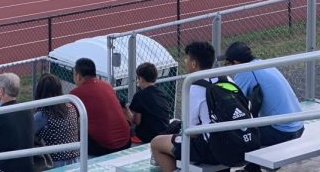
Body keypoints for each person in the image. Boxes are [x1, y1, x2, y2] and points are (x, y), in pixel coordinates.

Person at [221, 41, 303, 168]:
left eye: (228, 63)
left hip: (284, 132)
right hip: (298, 125)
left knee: (240, 134)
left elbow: (235, 104)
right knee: (251, 126)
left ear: (236, 63)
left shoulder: (245, 72)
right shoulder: (263, 63)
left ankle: (251, 169)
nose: (227, 67)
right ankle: (261, 166)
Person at [150, 42, 221, 171]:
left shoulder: (194, 87)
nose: (185, 61)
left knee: (156, 143)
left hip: (212, 149)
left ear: (194, 64)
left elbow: (190, 132)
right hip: (235, 141)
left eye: (187, 58)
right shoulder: (226, 79)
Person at [69, 57, 130, 155]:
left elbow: (69, 120)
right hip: (126, 141)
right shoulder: (107, 86)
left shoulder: (75, 93)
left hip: (105, 147)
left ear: (78, 75)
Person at [33, 73, 80, 166]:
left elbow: (26, 133)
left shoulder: (42, 115)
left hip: (54, 164)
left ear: (39, 91)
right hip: (76, 160)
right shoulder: (71, 106)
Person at [124, 62, 171, 144]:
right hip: (164, 133)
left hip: (148, 137)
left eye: (137, 78)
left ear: (141, 79)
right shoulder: (162, 94)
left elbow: (136, 121)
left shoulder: (139, 96)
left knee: (128, 131)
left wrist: (126, 110)